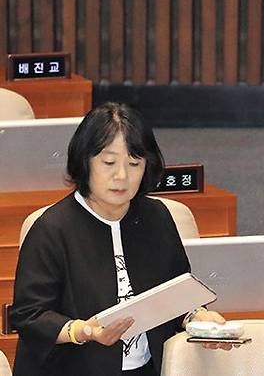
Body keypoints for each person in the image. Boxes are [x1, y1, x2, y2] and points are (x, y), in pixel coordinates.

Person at [11, 102, 232, 376]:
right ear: (84, 161)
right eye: (108, 162)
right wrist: (86, 331)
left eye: (134, 163)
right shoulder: (51, 229)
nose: (121, 176)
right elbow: (28, 316)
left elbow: (176, 295)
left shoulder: (157, 217)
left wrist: (197, 318)